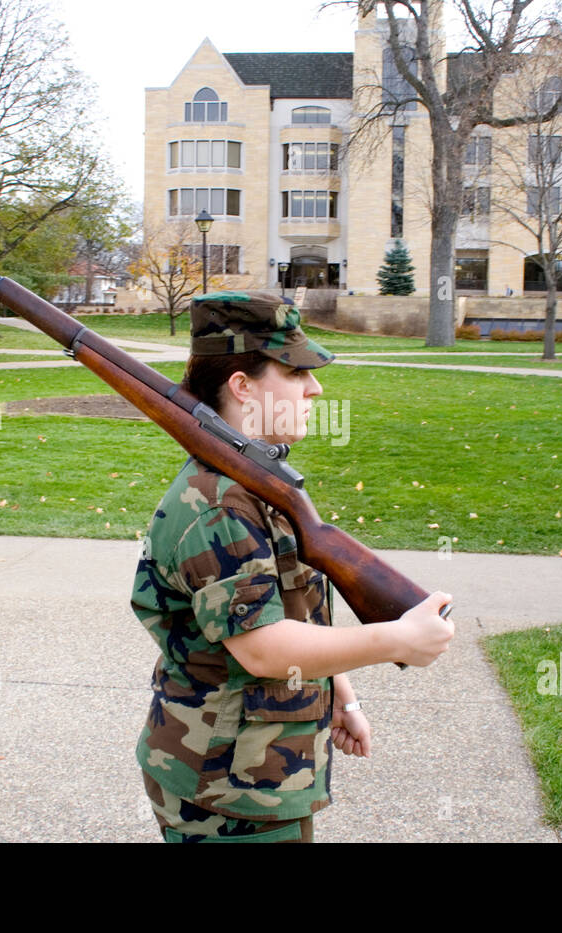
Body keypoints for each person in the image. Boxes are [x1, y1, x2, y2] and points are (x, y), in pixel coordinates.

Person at [131, 291, 453, 843]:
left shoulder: (259, 481)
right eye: (295, 371)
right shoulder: (217, 505)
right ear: (242, 385)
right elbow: (263, 647)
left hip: (256, 765)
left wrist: (341, 696)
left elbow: (295, 605)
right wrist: (396, 639)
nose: (315, 387)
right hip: (226, 788)